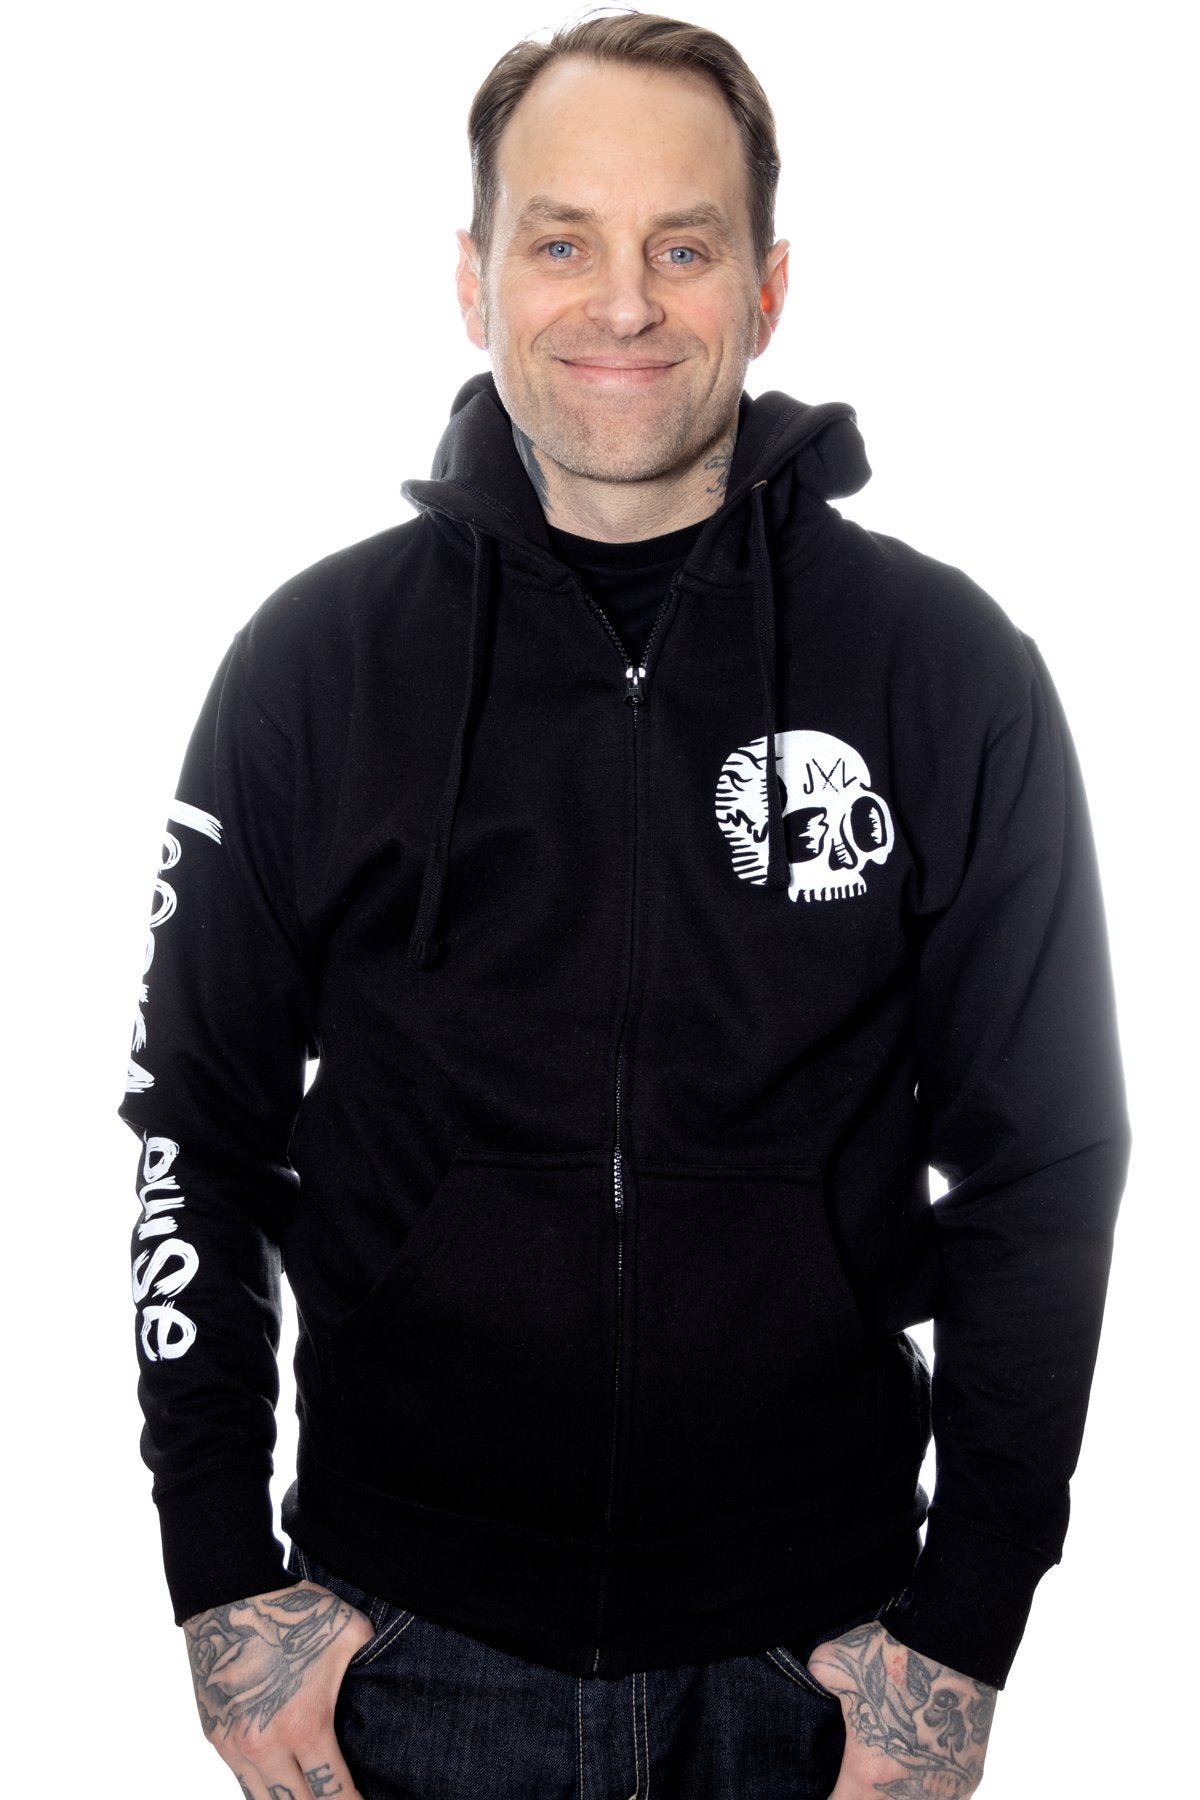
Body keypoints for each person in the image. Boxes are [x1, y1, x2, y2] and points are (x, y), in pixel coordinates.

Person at [122, 12, 1128, 1798]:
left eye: (684, 245)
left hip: (815, 1665)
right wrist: (217, 1572)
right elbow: (191, 1123)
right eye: (561, 242)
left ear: (768, 286)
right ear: (473, 278)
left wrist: (967, 1621)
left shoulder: (946, 671)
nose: (623, 304)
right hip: (402, 1651)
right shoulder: (313, 667)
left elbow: (1043, 1162)